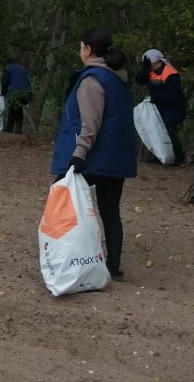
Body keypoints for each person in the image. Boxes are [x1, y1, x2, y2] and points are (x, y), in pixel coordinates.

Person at [51, 28, 138, 281]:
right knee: (110, 211)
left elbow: (90, 123)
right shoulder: (119, 79)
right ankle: (113, 267)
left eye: (81, 47)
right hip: (115, 157)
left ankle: (65, 258)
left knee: (63, 202)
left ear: (88, 49)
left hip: (92, 156)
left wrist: (78, 155)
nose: (80, 51)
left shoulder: (92, 80)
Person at [135, 47, 187, 164]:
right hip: (159, 107)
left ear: (155, 62)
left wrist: (156, 99)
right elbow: (139, 80)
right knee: (157, 131)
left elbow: (173, 94)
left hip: (173, 108)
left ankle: (179, 158)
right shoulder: (150, 71)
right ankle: (160, 155)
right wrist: (145, 69)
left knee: (169, 131)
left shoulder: (170, 73)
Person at [0, 58, 33, 134]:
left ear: (7, 64)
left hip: (15, 93)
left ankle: (9, 129)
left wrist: (3, 93)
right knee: (18, 109)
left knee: (11, 108)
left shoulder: (8, 68)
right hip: (27, 94)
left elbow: (4, 83)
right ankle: (18, 130)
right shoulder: (22, 69)